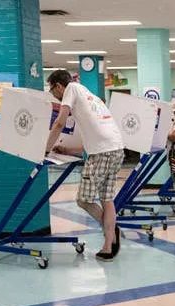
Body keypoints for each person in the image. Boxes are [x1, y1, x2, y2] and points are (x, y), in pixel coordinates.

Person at [45, 70, 125, 262]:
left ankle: (111, 229)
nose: (53, 94)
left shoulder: (71, 89)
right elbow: (97, 133)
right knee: (107, 199)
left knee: (83, 199)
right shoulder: (90, 95)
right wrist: (68, 150)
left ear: (58, 85)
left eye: (51, 89)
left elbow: (59, 123)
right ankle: (108, 246)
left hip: (101, 153)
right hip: (117, 149)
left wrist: (45, 149)